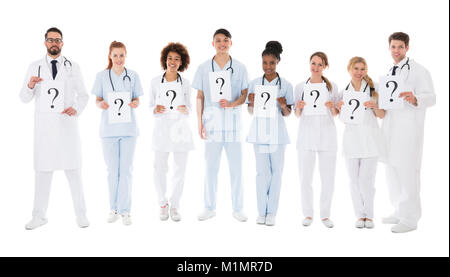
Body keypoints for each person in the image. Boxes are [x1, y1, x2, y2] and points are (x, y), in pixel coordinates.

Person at [20, 27, 89, 230]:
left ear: (62, 43)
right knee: (43, 173)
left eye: (57, 40)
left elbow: (84, 95)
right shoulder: (35, 67)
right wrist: (30, 86)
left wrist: (75, 109)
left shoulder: (72, 67)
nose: (54, 43)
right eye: (50, 40)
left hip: (67, 126)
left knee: (74, 171)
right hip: (45, 129)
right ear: (45, 43)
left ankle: (81, 214)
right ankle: (38, 216)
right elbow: (23, 98)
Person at [380, 32, 435, 233]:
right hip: (391, 128)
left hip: (408, 129)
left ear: (407, 48)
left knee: (407, 172)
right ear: (389, 48)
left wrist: (415, 99)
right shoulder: (390, 70)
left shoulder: (419, 71)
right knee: (392, 170)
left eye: (400, 47)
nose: (396, 51)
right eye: (393, 47)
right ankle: (398, 210)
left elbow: (431, 97)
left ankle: (410, 219)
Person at [193, 28, 249, 222]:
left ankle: (238, 208)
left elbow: (244, 94)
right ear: (213, 44)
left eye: (225, 40)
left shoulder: (240, 67)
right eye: (218, 41)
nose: (222, 44)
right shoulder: (203, 68)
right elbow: (199, 96)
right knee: (210, 167)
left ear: (231, 43)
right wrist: (199, 123)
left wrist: (232, 104)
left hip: (232, 125)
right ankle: (209, 207)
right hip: (212, 125)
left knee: (236, 168)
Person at [91, 41, 143, 226]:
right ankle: (113, 208)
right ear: (110, 56)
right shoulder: (102, 76)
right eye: (115, 55)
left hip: (129, 130)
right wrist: (101, 104)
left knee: (126, 171)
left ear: (126, 55)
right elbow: (97, 100)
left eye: (122, 55)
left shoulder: (133, 76)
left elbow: (136, 98)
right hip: (109, 130)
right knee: (113, 171)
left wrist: (135, 103)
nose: (119, 59)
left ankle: (125, 210)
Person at [246, 41, 293, 226]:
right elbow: (251, 112)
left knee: (277, 173)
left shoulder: (286, 85)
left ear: (278, 62)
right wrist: (250, 103)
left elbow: (288, 113)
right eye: (265, 63)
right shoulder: (254, 84)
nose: (268, 67)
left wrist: (283, 105)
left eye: (271, 63)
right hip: (259, 133)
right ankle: (261, 212)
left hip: (278, 134)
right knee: (261, 173)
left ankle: (272, 212)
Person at [336, 57, 385, 229]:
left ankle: (369, 215)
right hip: (351, 141)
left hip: (370, 140)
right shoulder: (343, 92)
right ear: (349, 69)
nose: (359, 72)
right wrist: (339, 107)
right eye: (356, 68)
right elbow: (342, 119)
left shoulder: (375, 89)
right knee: (353, 180)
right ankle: (359, 215)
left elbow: (382, 115)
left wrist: (373, 106)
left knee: (366, 181)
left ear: (366, 70)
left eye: (362, 69)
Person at [149, 43, 194, 222]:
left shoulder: (186, 83)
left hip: (180, 129)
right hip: (161, 128)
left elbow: (190, 107)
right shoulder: (154, 82)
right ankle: (162, 203)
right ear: (164, 60)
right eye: (170, 58)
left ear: (181, 62)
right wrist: (155, 109)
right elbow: (150, 106)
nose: (172, 62)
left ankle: (175, 205)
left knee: (180, 169)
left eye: (176, 59)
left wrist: (185, 109)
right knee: (159, 168)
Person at [293, 52, 339, 228]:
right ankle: (308, 214)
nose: (316, 67)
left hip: (327, 137)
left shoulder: (332, 87)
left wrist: (333, 107)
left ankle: (325, 215)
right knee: (305, 178)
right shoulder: (300, 87)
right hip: (306, 136)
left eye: (320, 64)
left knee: (328, 178)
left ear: (325, 66)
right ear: (309, 64)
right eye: (313, 63)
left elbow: (335, 114)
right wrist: (298, 107)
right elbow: (297, 115)